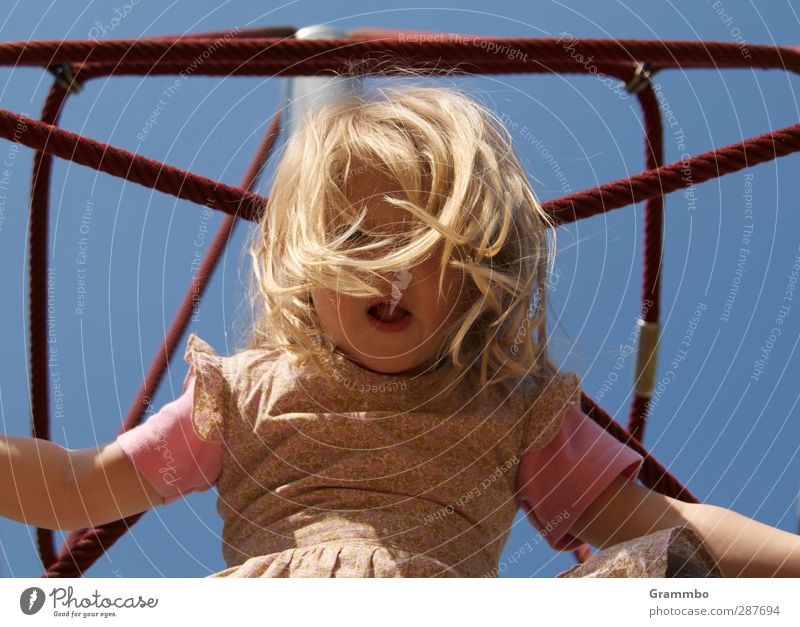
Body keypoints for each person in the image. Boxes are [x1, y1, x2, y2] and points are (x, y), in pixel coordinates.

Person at [2, 85, 799, 578]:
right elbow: (79, 484)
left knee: (671, 572)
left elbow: (669, 524)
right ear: (300, 265)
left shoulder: (509, 411)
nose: (387, 267)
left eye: (424, 247)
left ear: (481, 267)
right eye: (352, 239)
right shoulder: (247, 395)